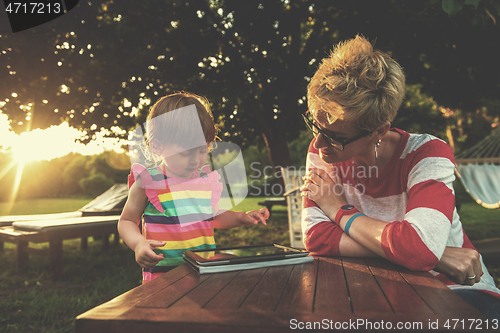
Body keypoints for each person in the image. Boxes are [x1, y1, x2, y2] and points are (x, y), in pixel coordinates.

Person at [300, 35, 500, 319]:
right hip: (378, 290)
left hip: (457, 291)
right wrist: (436, 256)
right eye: (314, 125)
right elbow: (317, 238)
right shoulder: (323, 151)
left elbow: (417, 248)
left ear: (379, 131)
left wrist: (338, 211)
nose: (319, 144)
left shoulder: (428, 154)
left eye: (335, 137)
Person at [118, 92, 269, 283]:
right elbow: (127, 221)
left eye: (202, 150)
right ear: (157, 146)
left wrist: (242, 217)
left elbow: (212, 217)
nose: (195, 160)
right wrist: (138, 243)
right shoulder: (148, 181)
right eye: (185, 153)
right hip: (163, 277)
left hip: (203, 271)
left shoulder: (205, 181)